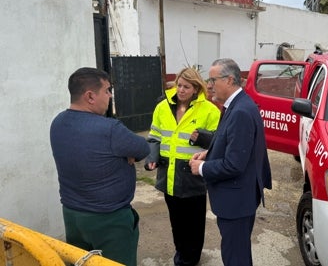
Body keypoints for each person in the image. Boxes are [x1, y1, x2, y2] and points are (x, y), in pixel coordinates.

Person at [50, 67, 150, 266]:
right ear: (90, 96)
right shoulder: (110, 129)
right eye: (107, 90)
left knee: (80, 262)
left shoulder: (58, 123)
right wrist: (126, 155)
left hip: (72, 214)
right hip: (109, 219)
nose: (110, 95)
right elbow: (143, 148)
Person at [189, 58, 272, 266]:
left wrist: (202, 168)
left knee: (235, 257)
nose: (208, 85)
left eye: (212, 80)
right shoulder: (236, 105)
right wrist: (210, 153)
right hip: (239, 198)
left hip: (236, 201)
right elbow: (234, 143)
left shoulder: (241, 111)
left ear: (229, 80)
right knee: (238, 251)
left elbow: (235, 164)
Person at [145, 67, 220, 266]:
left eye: (187, 86)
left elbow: (220, 142)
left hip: (193, 176)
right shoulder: (162, 107)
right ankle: (181, 251)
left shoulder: (210, 110)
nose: (181, 90)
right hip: (168, 175)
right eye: (179, 85)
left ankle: (191, 257)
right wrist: (152, 157)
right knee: (176, 221)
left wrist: (202, 137)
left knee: (194, 224)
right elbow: (154, 136)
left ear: (196, 89)